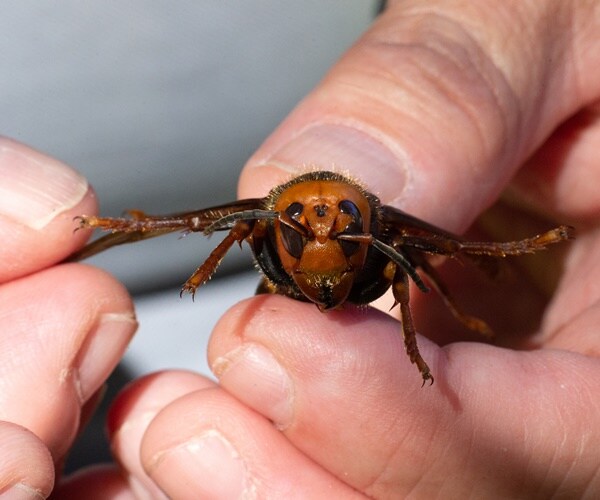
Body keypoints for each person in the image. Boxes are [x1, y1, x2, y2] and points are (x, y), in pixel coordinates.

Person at [2, 1, 599, 497]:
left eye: (340, 225)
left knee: (402, 258)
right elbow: (205, 222)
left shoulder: (381, 229)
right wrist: (120, 228)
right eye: (308, 225)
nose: (323, 237)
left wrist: (494, 264)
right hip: (213, 333)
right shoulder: (264, 225)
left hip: (333, 369)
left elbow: (440, 243)